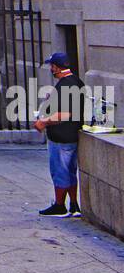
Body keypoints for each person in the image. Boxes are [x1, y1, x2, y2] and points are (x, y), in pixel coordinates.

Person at [34, 52, 88, 216]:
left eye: (52, 66)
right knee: (70, 172)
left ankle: (59, 205)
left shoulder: (66, 85)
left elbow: (66, 113)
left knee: (60, 172)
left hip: (61, 137)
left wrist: (43, 122)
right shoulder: (76, 82)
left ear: (56, 67)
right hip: (70, 135)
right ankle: (73, 204)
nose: (51, 68)